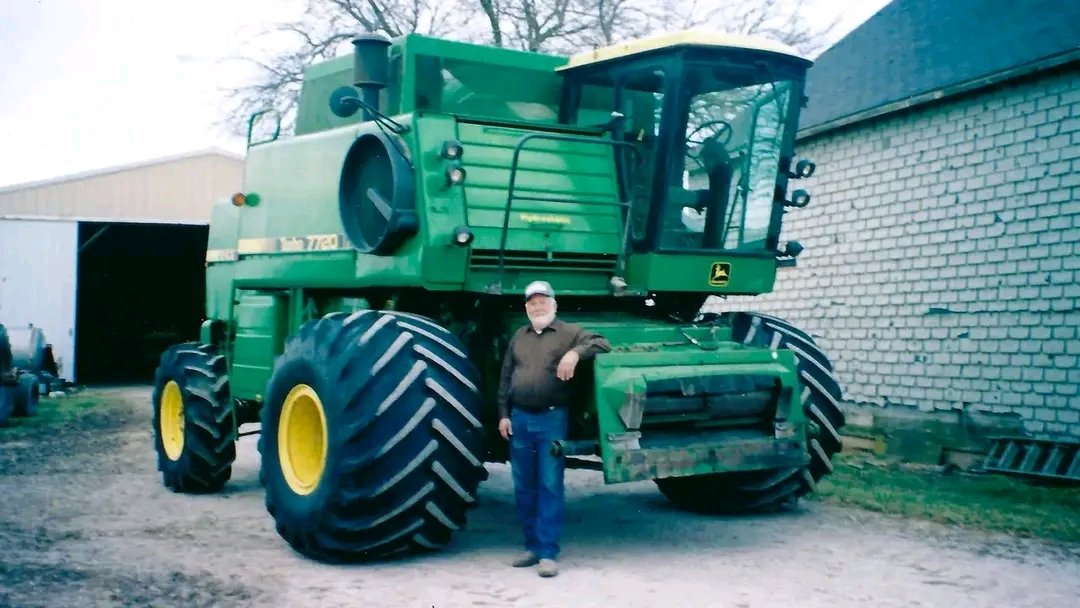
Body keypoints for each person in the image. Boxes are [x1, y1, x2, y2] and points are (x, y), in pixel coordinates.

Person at [497, 280, 611, 578]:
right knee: (524, 485)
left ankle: (548, 552)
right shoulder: (518, 336)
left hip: (551, 420)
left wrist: (574, 354)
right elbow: (506, 376)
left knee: (549, 484)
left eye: (543, 301)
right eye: (532, 303)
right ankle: (531, 547)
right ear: (526, 308)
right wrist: (503, 415)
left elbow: (601, 342)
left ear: (554, 305)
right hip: (520, 419)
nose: (538, 307)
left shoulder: (569, 332)